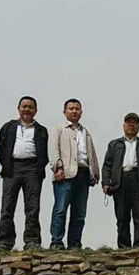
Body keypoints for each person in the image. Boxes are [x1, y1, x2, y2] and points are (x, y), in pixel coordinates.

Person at [0, 96, 49, 251]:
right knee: (7, 206)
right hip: (12, 168)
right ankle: (4, 242)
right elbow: (0, 148)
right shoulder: (8, 127)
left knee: (32, 207)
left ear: (36, 110)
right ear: (18, 109)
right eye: (24, 106)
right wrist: (6, 164)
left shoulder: (41, 130)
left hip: (33, 169)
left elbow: (44, 153)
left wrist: (39, 167)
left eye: (30, 107)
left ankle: (32, 241)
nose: (27, 110)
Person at [48, 99, 100, 250]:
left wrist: (95, 173)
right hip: (65, 174)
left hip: (83, 174)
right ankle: (57, 241)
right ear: (65, 111)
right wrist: (57, 167)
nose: (74, 111)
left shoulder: (85, 132)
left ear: (81, 112)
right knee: (60, 209)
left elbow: (91, 153)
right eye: (71, 109)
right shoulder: (58, 129)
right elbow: (53, 149)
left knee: (79, 212)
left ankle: (75, 243)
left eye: (77, 109)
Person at [101, 112, 139, 249]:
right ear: (123, 125)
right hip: (120, 182)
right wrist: (106, 182)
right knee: (122, 217)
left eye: (134, 123)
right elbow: (107, 165)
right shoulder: (114, 144)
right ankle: (124, 247)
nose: (131, 125)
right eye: (128, 122)